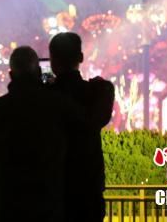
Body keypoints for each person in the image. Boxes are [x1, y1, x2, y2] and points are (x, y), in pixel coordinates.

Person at [0, 46, 80, 222]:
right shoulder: (59, 106)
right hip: (47, 207)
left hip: (2, 208)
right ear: (39, 72)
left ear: (11, 75)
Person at [48, 32, 116, 222]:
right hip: (87, 191)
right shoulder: (95, 93)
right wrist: (105, 88)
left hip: (52, 192)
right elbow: (97, 118)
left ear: (52, 61)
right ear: (80, 57)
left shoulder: (44, 97)